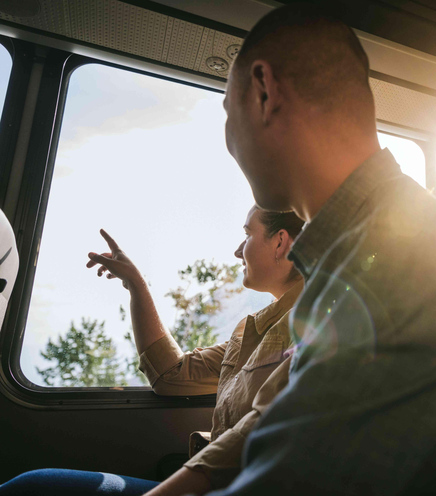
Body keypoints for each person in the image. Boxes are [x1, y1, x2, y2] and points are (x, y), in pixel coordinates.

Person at [212, 4, 436, 496]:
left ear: (265, 93)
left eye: (229, 110)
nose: (228, 138)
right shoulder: (366, 248)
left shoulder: (400, 261)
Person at [0, 206, 305, 496]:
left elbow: (260, 434)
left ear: (280, 242)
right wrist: (136, 283)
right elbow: (172, 375)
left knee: (34, 488)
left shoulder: (314, 325)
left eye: (248, 234)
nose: (238, 250)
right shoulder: (250, 331)